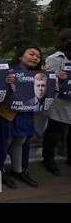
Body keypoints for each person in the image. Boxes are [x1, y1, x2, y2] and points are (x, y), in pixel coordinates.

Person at [0, 46, 43, 189]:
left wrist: (58, 84)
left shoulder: (40, 76)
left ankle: (18, 170)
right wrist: (6, 82)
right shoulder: (7, 72)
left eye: (38, 56)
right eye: (31, 54)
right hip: (4, 113)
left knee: (20, 141)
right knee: (2, 143)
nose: (35, 57)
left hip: (25, 114)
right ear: (20, 56)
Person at [42, 28, 71, 176]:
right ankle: (48, 159)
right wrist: (57, 77)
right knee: (55, 132)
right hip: (60, 102)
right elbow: (48, 80)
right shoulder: (55, 58)